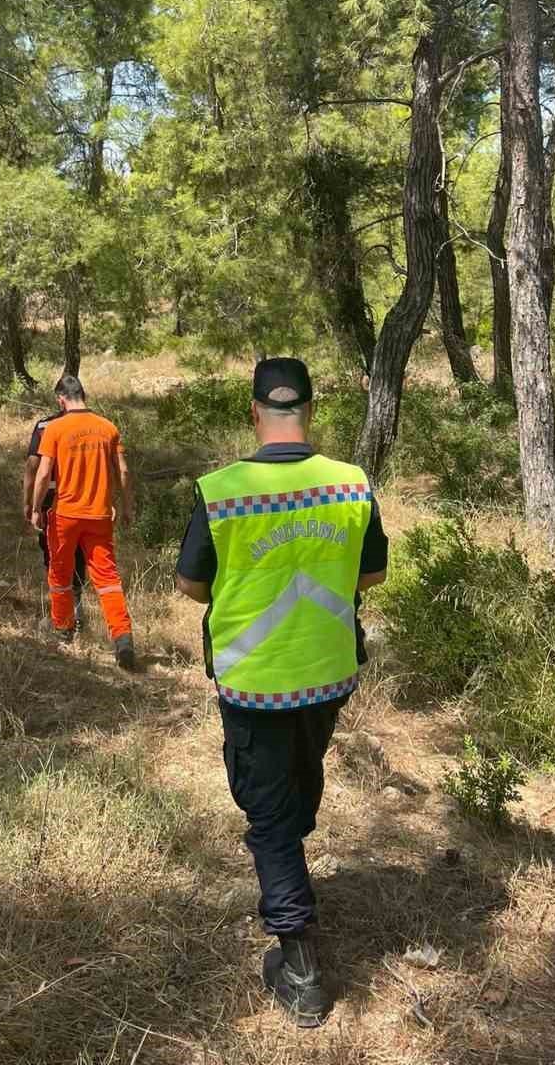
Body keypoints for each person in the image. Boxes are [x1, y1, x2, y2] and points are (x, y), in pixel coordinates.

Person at [175, 357, 388, 1028]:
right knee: (298, 783)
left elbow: (191, 586)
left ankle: (299, 965)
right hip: (327, 674)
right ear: (312, 410)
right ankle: (291, 869)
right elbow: (373, 575)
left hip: (257, 682)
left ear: (253, 411)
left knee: (267, 814)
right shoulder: (351, 484)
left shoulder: (222, 489)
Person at [28, 374, 136, 668]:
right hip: (99, 515)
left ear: (61, 399)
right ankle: (122, 637)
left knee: (60, 575)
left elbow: (42, 473)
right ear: (83, 395)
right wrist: (127, 506)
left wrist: (36, 508)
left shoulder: (56, 428)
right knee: (108, 579)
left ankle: (63, 631)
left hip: (65, 514)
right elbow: (123, 473)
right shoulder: (108, 427)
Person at [24, 410, 87, 616]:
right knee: (78, 550)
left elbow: (34, 467)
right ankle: (75, 602)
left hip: (49, 498)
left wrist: (30, 503)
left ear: (60, 398)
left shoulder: (44, 426)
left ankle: (61, 608)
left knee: (52, 552)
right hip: (81, 497)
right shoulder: (92, 424)